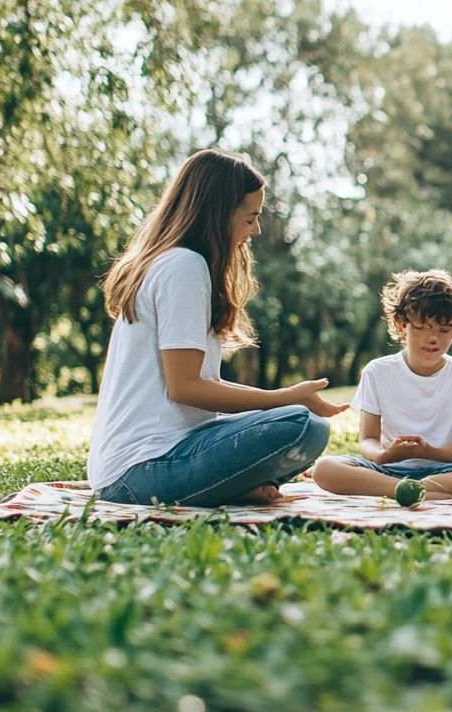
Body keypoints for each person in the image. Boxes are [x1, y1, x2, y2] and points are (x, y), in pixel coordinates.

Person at [87, 149, 346, 507]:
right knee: (303, 426)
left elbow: (200, 385)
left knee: (301, 424)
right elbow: (186, 387)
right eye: (250, 217)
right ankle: (227, 486)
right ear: (217, 214)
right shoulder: (184, 266)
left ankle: (231, 488)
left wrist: (272, 407)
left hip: (147, 461)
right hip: (141, 468)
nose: (256, 229)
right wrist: (283, 398)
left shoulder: (172, 262)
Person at [311, 269, 452, 498]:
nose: (433, 338)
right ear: (400, 324)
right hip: (388, 471)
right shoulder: (377, 371)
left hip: (447, 470)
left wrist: (429, 451)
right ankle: (416, 492)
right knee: (325, 469)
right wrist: (385, 456)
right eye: (422, 328)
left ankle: (417, 490)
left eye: (444, 330)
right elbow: (368, 440)